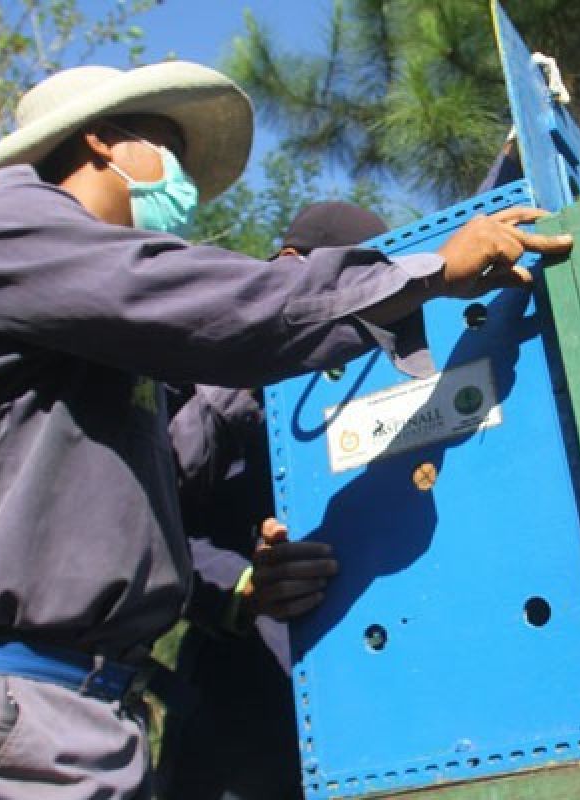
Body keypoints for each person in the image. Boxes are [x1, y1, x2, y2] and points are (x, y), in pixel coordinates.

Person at [0, 61, 570, 799]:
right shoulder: (4, 232)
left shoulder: (91, 341)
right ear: (105, 142)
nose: (184, 180)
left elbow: (167, 463)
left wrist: (241, 583)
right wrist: (422, 273)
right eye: (168, 146)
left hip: (77, 713)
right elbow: (223, 309)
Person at [156, 202, 391, 800]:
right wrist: (241, 592)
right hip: (244, 704)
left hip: (373, 697)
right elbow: (145, 521)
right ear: (292, 266)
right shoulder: (212, 374)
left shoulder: (379, 381)